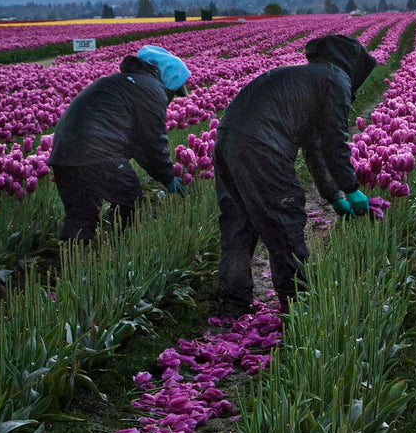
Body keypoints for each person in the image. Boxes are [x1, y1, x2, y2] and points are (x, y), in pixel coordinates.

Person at [214, 34, 377, 315]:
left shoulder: (303, 77)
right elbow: (333, 141)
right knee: (284, 225)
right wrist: (351, 188)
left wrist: (332, 195)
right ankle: (297, 307)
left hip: (227, 141)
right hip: (262, 147)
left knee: (238, 224)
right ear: (353, 63)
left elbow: (314, 147)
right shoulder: (334, 79)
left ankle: (233, 304)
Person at [49, 45, 190, 243]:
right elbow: (153, 141)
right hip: (98, 150)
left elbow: (139, 144)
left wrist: (162, 173)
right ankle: (120, 245)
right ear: (169, 81)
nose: (173, 97)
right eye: (175, 91)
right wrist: (167, 177)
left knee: (81, 213)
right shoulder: (151, 90)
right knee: (130, 199)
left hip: (64, 150)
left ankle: (74, 257)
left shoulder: (123, 84)